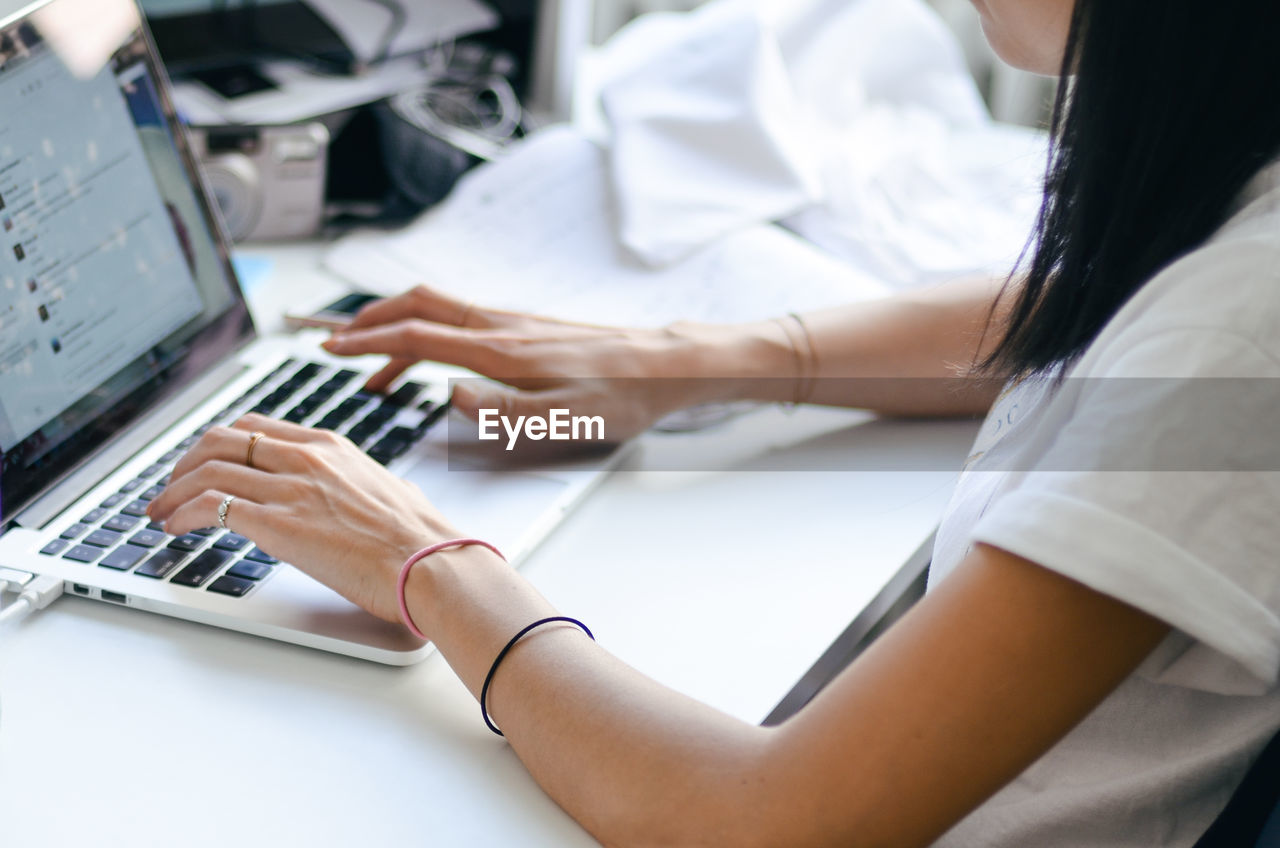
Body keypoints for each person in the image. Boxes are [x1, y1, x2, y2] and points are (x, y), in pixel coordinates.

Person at [148, 0, 1280, 844]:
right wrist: (684, 362)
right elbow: (1084, 311)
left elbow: (758, 820)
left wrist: (422, 559)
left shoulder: (1237, 330)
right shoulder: (1233, 194)